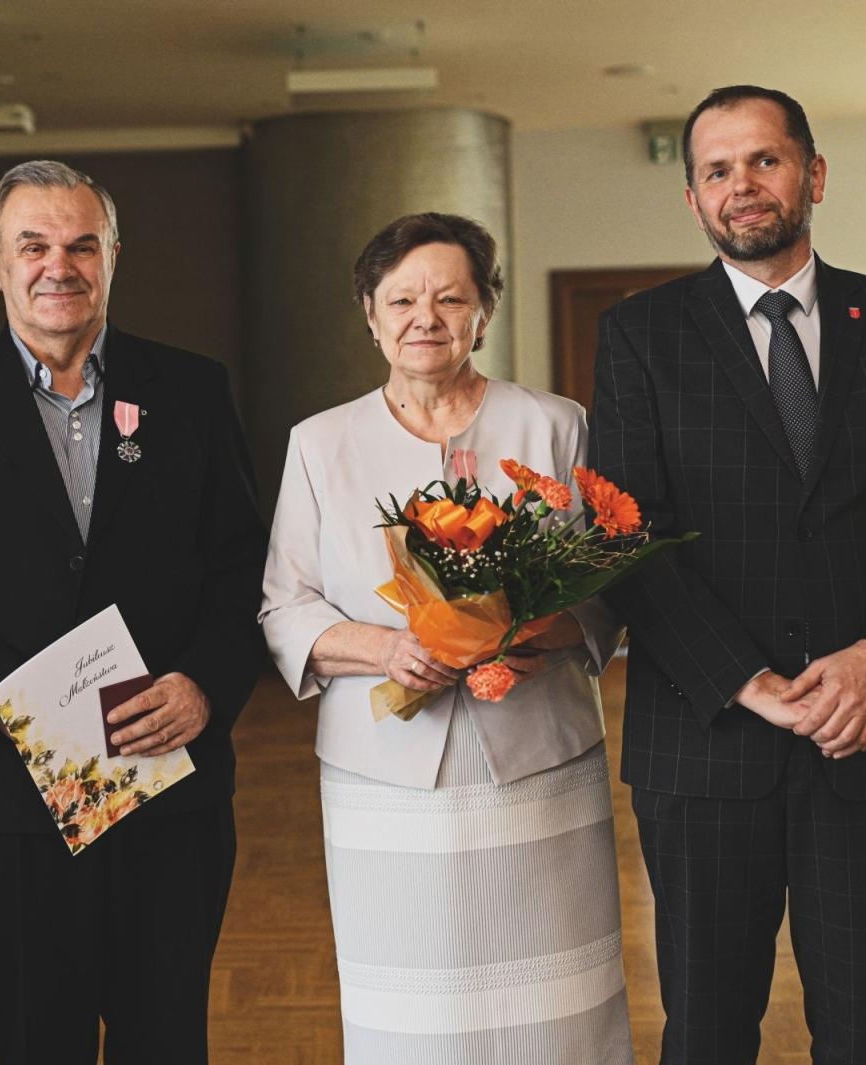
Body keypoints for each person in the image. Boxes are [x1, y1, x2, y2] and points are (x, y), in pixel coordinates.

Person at [589, 85, 866, 1064]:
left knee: (863, 1029)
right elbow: (624, 534)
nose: (743, 186)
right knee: (706, 1028)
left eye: (764, 160)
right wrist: (745, 680)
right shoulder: (639, 335)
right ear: (691, 197)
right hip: (705, 740)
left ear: (812, 174)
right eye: (717, 169)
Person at [0, 159, 266, 1064]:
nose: (59, 265)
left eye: (82, 244)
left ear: (114, 256)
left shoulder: (192, 390)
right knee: (38, 1041)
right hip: (11, 795)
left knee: (168, 1040)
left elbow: (244, 567)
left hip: (171, 785)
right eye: (33, 245)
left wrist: (205, 685)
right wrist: (12, 708)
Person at [259, 212, 634, 1063]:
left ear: (483, 312)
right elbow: (285, 606)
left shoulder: (555, 424)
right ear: (370, 311)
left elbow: (611, 586)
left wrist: (534, 627)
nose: (424, 317)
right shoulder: (320, 444)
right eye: (401, 299)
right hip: (381, 766)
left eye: (449, 297)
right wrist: (384, 648)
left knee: (555, 1002)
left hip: (538, 752)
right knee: (411, 1000)